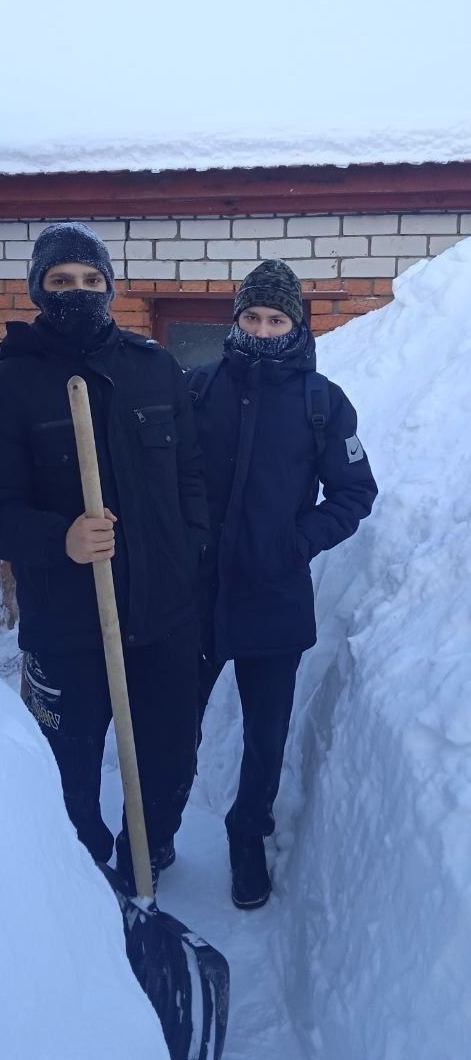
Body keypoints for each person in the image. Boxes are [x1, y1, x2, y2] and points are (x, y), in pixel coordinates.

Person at [0, 222, 207, 891]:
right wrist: (58, 538)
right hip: (68, 622)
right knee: (63, 762)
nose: (78, 292)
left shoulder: (153, 370)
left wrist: (186, 551)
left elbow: (191, 478)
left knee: (169, 757)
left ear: (110, 288)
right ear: (39, 289)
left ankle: (145, 859)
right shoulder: (5, 390)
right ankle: (78, 872)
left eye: (91, 280)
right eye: (61, 281)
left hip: (163, 616)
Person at [188, 259, 378, 910]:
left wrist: (297, 542)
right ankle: (154, 829)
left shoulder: (321, 402)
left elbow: (354, 493)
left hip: (273, 596)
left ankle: (248, 836)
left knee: (264, 734)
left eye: (276, 319)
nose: (263, 331)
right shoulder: (197, 389)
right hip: (197, 597)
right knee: (172, 721)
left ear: (295, 325)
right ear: (235, 320)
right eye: (252, 317)